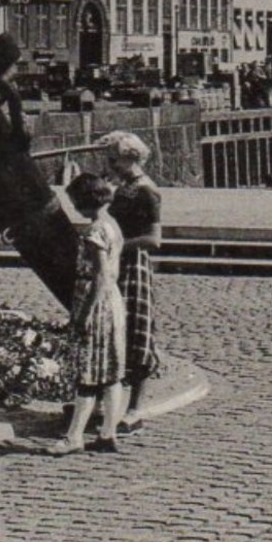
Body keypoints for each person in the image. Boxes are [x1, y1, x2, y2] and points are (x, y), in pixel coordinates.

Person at [50, 172, 128, 456]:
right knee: (110, 372)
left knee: (87, 372)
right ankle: (108, 432)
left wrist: (83, 315)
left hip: (96, 303)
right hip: (113, 302)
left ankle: (74, 437)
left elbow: (99, 275)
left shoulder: (95, 231)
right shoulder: (112, 225)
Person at [100, 130, 161, 435]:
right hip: (115, 262)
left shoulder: (146, 191)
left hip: (133, 263)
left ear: (130, 157)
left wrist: (119, 244)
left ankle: (136, 408)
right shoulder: (123, 187)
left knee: (138, 330)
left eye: (114, 159)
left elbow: (154, 239)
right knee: (113, 328)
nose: (110, 165)